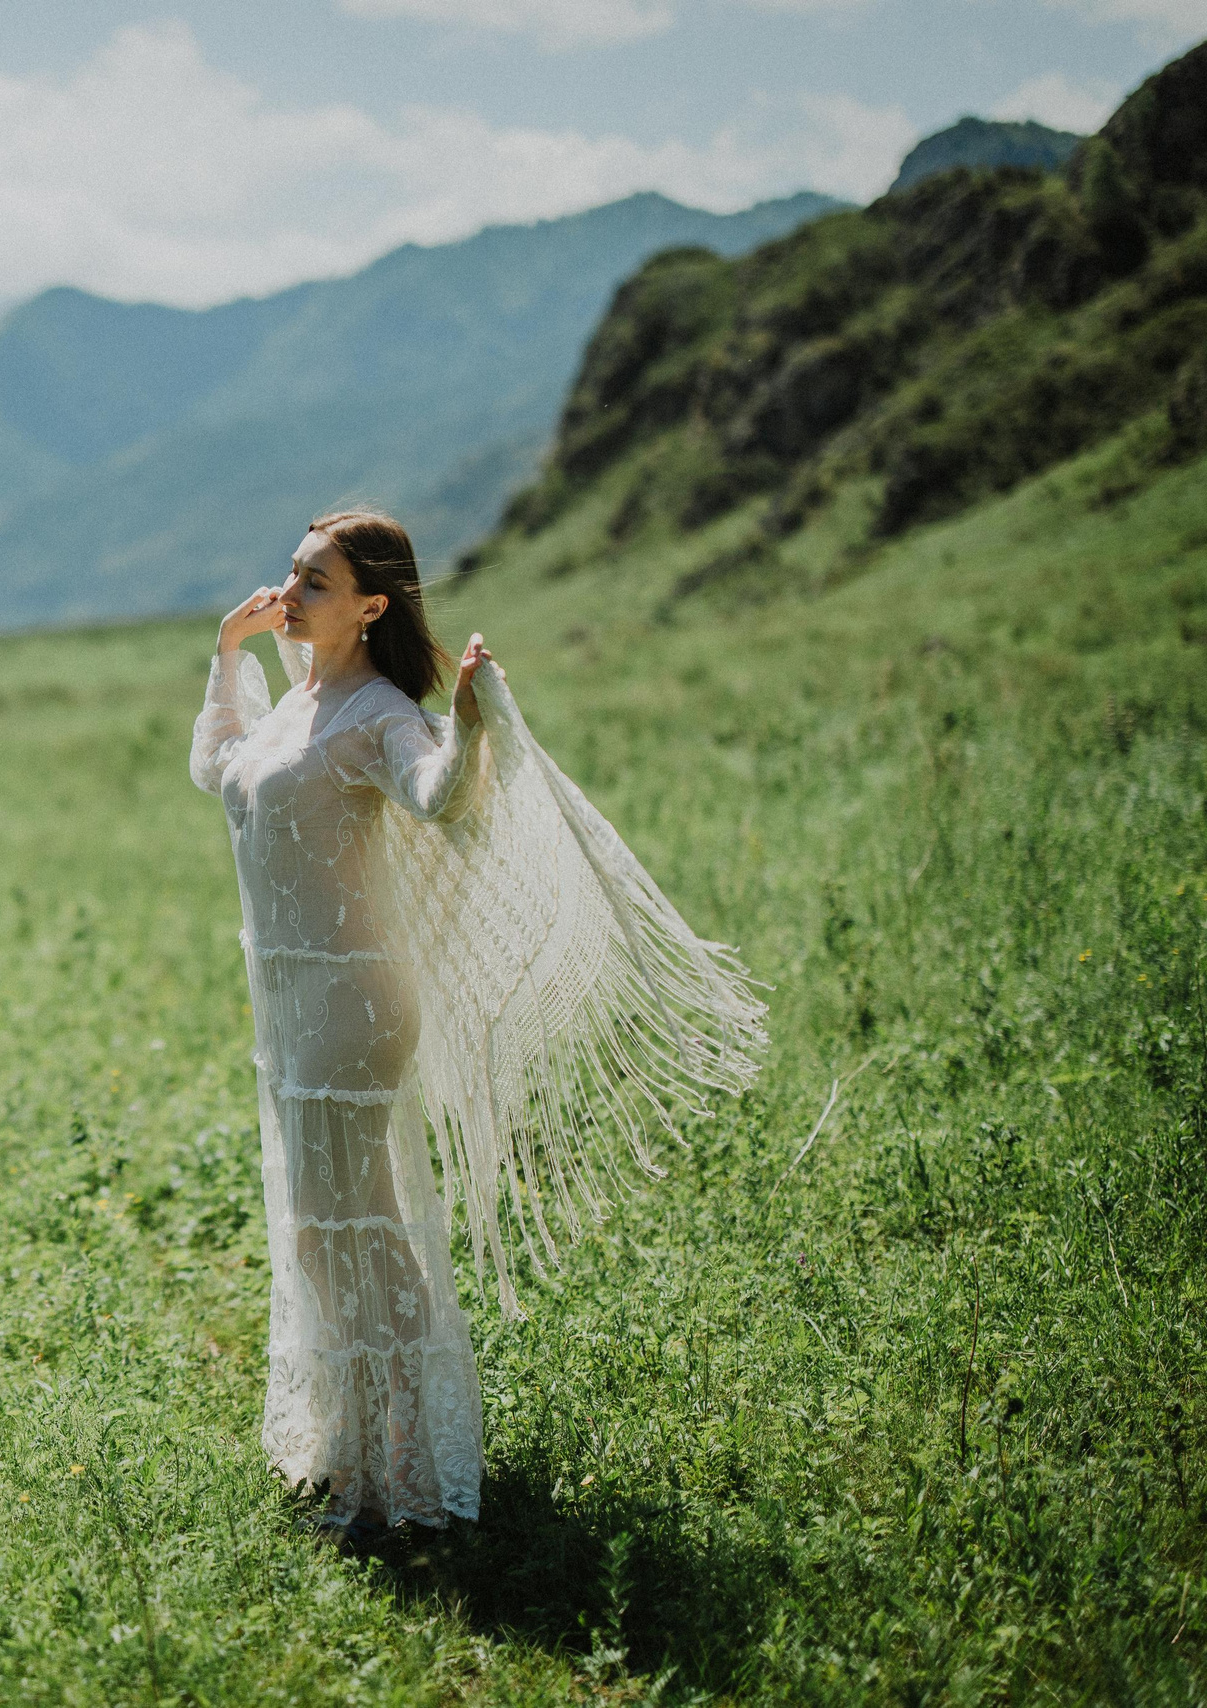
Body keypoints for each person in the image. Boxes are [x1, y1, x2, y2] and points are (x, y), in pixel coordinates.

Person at [188, 508, 765, 1539]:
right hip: (285, 1009)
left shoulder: (375, 712)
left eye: (316, 581)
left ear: (371, 605)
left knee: (356, 1235)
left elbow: (437, 796)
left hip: (350, 1008)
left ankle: (403, 1472)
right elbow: (217, 771)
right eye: (293, 570)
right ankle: (348, 1443)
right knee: (318, 1236)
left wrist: (466, 720)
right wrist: (228, 652)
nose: (293, 589)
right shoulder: (293, 701)